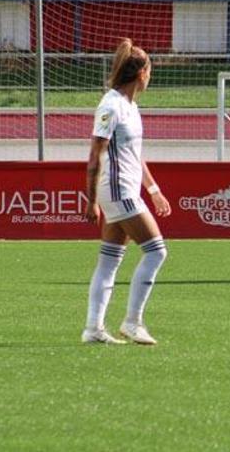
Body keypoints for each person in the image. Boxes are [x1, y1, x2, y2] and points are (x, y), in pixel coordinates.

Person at [82, 38, 170, 345]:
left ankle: (93, 328)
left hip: (126, 190)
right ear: (141, 73)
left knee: (109, 259)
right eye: (150, 70)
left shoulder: (131, 106)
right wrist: (92, 201)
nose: (151, 76)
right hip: (117, 191)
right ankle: (132, 322)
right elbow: (95, 155)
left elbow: (135, 155)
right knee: (157, 251)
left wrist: (154, 189)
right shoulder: (111, 105)